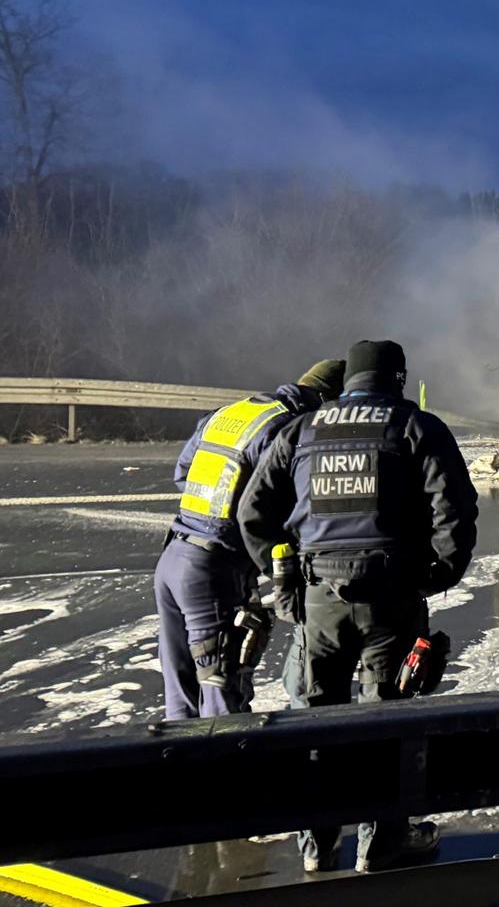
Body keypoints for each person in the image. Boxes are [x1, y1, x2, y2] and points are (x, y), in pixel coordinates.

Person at [238, 339, 478, 874]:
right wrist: (437, 576)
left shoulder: (302, 430)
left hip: (317, 599)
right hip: (392, 599)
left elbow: (253, 511)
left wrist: (283, 575)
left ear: (349, 382)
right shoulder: (416, 427)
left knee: (315, 727)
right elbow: (456, 510)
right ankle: (379, 846)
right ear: (396, 379)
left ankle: (317, 850)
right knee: (385, 720)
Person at [155, 359, 344, 721]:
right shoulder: (290, 427)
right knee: (221, 690)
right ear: (326, 399)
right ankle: (227, 773)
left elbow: (183, 473)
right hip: (213, 567)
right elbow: (277, 502)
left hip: (174, 556)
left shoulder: (234, 412)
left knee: (181, 695)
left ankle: (175, 770)